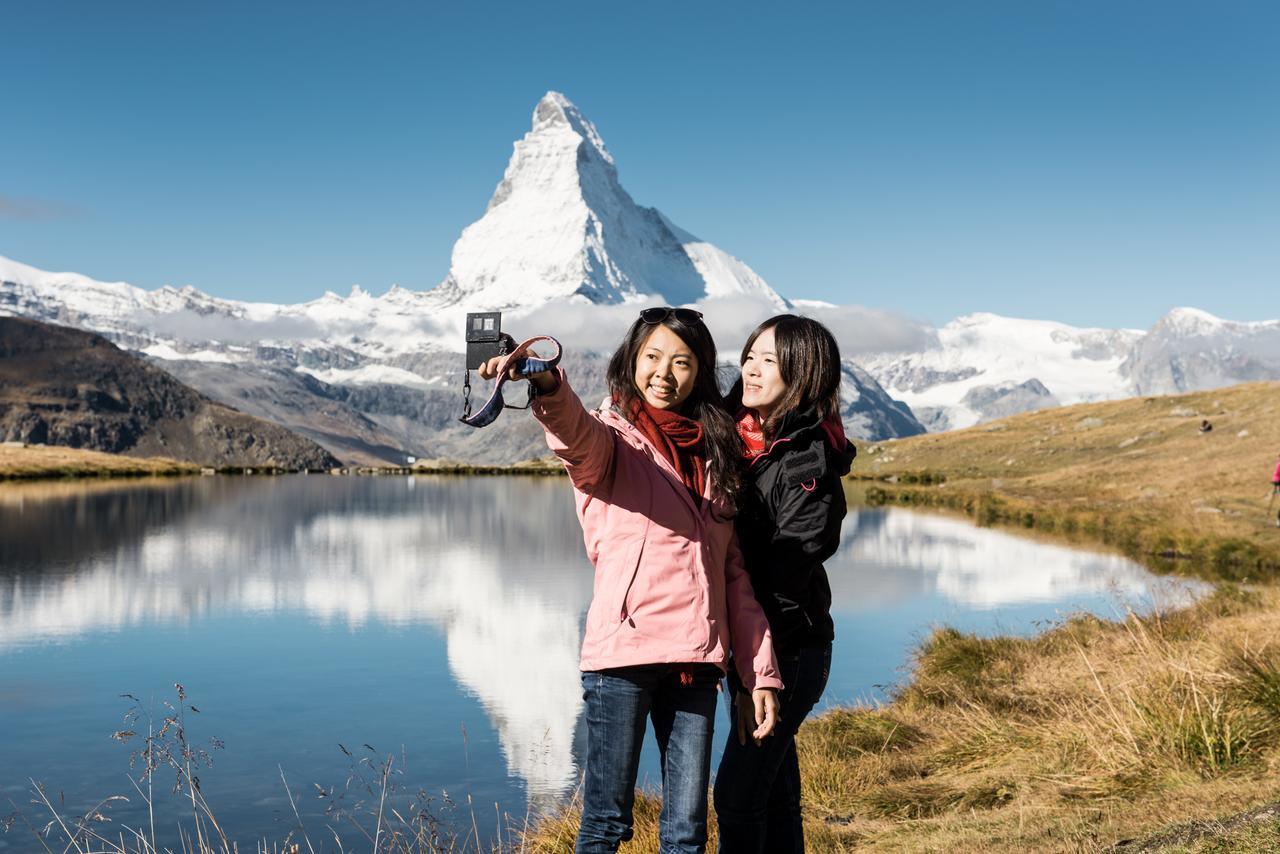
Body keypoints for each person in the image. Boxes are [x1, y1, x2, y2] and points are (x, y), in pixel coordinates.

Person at [478, 307, 782, 854]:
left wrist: (759, 673)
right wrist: (546, 382)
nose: (665, 373)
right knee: (605, 826)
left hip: (695, 663)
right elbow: (573, 434)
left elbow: (733, 577)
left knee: (687, 832)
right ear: (632, 362)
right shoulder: (609, 442)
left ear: (701, 372)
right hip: (622, 658)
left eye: (682, 362)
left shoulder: (716, 455)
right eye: (653, 357)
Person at [713, 314, 856, 854]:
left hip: (786, 651)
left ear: (803, 374)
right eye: (750, 354)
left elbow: (787, 570)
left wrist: (759, 672)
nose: (750, 368)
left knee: (737, 796)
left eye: (768, 360)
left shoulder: (804, 460)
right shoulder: (742, 437)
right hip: (757, 650)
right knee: (773, 795)